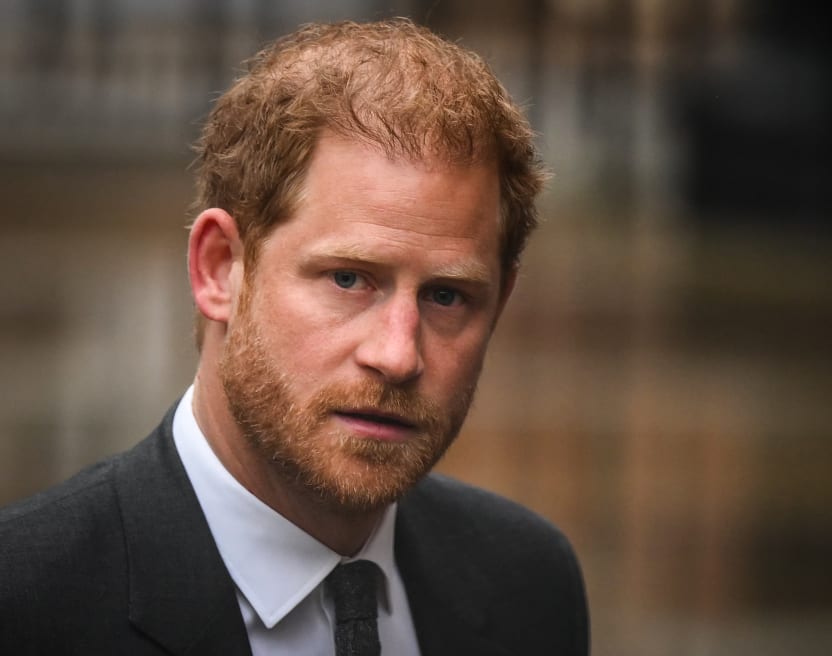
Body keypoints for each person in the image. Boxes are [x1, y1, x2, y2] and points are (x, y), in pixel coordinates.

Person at [0, 18, 589, 656]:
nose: (397, 354)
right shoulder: (29, 602)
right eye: (348, 279)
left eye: (447, 296)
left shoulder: (528, 583)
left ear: (500, 303)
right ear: (219, 267)